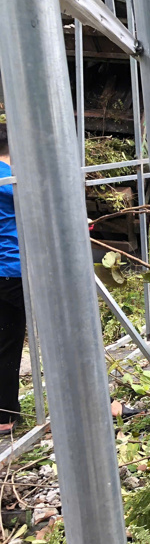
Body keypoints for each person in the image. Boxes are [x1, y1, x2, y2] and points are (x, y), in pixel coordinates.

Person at [0, 123, 25, 435]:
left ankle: (5, 414)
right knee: (66, 335)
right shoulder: (11, 180)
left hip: (1, 274)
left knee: (7, 340)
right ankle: (102, 402)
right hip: (16, 270)